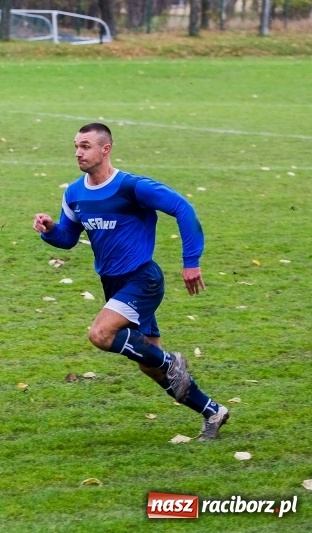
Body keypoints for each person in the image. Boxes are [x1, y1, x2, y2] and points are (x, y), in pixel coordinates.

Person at [32, 122, 229, 442]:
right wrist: (51, 229)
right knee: (150, 367)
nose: (78, 152)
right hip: (113, 285)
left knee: (100, 333)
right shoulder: (75, 193)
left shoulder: (131, 187)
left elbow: (182, 207)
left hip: (142, 280)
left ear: (105, 149)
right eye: (76, 146)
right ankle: (212, 411)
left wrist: (191, 261)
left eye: (85, 146)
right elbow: (68, 239)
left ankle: (172, 360)